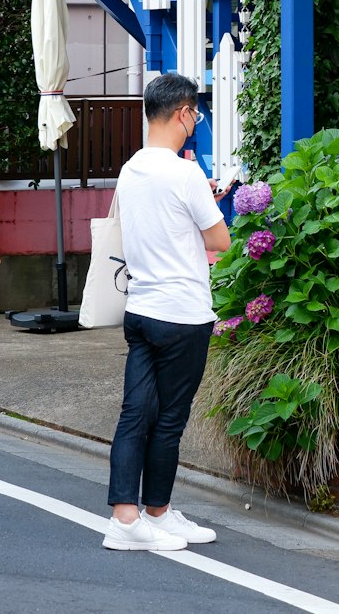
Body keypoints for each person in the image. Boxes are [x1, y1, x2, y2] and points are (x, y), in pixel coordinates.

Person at [102, 72, 232, 552]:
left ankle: (130, 516)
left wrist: (197, 206)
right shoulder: (186, 174)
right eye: (195, 112)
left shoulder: (132, 168)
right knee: (170, 419)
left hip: (141, 311)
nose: (195, 120)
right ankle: (154, 511)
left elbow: (159, 224)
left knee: (135, 413)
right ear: (182, 113)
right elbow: (220, 241)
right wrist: (206, 207)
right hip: (183, 313)